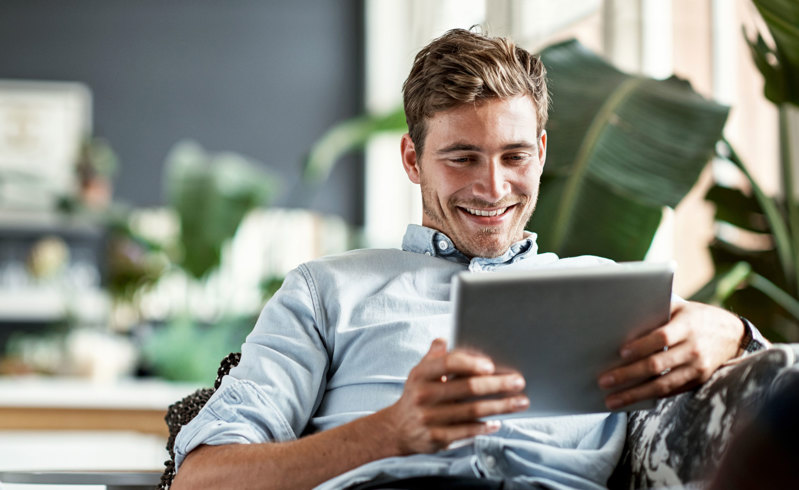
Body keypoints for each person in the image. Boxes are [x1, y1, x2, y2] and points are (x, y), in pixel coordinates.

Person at [172, 29, 768, 489]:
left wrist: (734, 331)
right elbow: (205, 477)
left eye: (514, 156)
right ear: (413, 160)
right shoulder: (325, 291)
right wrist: (389, 432)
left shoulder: (609, 292)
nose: (492, 187)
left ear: (540, 151)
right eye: (461, 158)